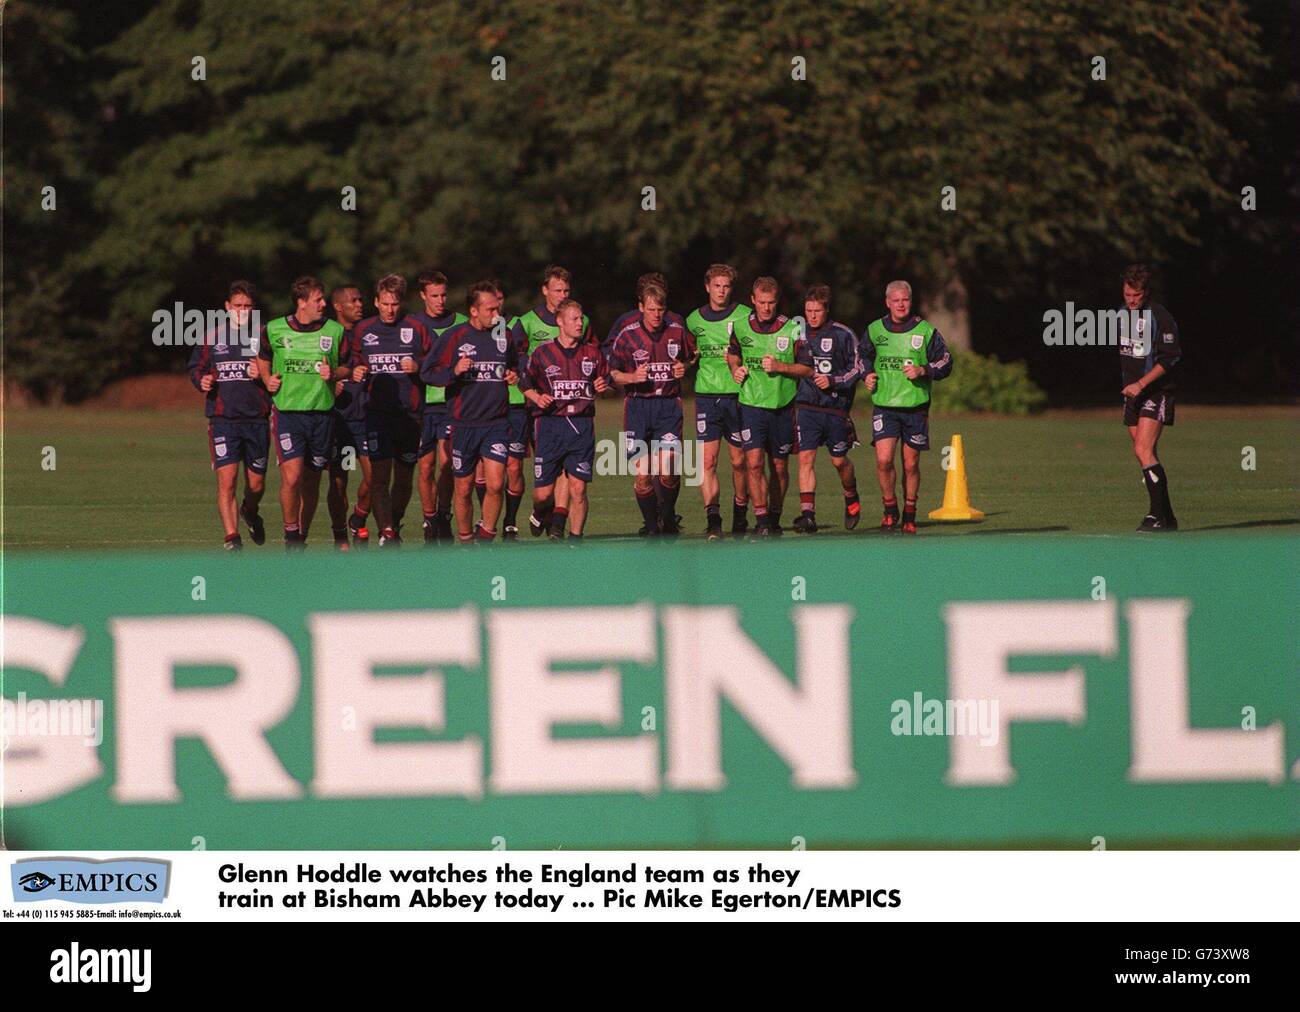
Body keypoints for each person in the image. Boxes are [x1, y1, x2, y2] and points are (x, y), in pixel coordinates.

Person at [420, 281, 519, 542]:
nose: (496, 315)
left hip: (496, 424)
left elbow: (512, 365)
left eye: (498, 309)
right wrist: (454, 371)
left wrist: (511, 374)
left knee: (496, 484)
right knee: (463, 489)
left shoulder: (504, 335)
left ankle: (485, 537)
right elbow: (427, 373)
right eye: (490, 310)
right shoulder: (454, 337)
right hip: (462, 425)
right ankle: (465, 539)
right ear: (474, 311)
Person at [257, 276, 350, 549]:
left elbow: (347, 366)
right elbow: (263, 358)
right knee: (292, 477)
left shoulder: (334, 331)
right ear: (301, 302)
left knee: (311, 483)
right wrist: (266, 380)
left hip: (322, 415)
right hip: (288, 414)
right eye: (318, 299)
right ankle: (291, 535)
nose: (324, 304)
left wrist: (334, 373)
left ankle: (301, 535)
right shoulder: (274, 329)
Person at [344, 273, 431, 546]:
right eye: (385, 303)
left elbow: (436, 363)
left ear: (401, 303)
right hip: (376, 413)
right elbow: (352, 361)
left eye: (394, 304)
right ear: (376, 302)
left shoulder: (416, 328)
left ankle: (394, 521)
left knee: (404, 477)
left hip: (410, 415)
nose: (390, 309)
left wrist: (419, 367)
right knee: (379, 476)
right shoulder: (364, 330)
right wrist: (355, 370)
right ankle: (387, 532)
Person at [861, 280, 953, 534]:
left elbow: (946, 362)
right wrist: (866, 375)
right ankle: (890, 508)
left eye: (906, 300)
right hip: (885, 406)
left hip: (915, 407)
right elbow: (862, 357)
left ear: (910, 302)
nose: (901, 304)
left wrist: (923, 370)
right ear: (887, 302)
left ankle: (909, 512)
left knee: (911, 464)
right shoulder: (875, 330)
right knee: (883, 460)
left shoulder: (925, 331)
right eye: (896, 300)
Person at [510, 266, 593, 539]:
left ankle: (559, 524)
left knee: (568, 472)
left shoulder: (580, 321)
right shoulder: (527, 321)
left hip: (567, 409)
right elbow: (513, 354)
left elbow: (593, 355)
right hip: (531, 403)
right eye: (557, 290)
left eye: (566, 291)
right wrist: (530, 387)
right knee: (537, 481)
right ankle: (539, 511)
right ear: (545, 290)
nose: (562, 295)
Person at [187, 280, 269, 549]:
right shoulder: (211, 337)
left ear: (253, 309)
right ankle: (232, 538)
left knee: (256, 485)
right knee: (227, 481)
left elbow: (278, 370)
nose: (241, 311)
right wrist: (203, 382)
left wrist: (264, 375)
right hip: (223, 421)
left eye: (246, 306)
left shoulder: (264, 336)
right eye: (237, 306)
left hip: (257, 420)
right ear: (226, 307)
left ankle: (250, 510)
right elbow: (195, 369)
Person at [726, 276, 810, 535]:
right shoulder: (740, 327)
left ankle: (774, 516)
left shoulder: (793, 328)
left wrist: (781, 367)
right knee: (753, 463)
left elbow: (807, 368)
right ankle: (761, 519)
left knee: (780, 467)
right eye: (761, 302)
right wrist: (735, 370)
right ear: (753, 301)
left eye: (771, 303)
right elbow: (732, 355)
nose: (766, 308)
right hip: (751, 405)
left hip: (782, 406)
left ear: (777, 302)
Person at [520, 299, 610, 539]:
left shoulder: (592, 353)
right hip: (550, 426)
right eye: (574, 319)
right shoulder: (543, 353)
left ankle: (575, 540)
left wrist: (602, 386)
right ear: (560, 322)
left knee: (578, 488)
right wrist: (536, 398)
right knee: (543, 494)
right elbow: (524, 382)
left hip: (581, 427)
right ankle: (541, 512)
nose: (580, 323)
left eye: (581, 318)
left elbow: (604, 381)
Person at [608, 283, 694, 535]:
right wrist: (632, 377)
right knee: (643, 475)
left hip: (668, 407)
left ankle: (667, 518)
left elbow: (691, 356)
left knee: (667, 470)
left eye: (661, 309)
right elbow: (612, 373)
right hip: (637, 408)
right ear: (641, 308)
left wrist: (684, 367)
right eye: (651, 309)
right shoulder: (627, 336)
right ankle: (652, 525)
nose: (657, 315)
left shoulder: (676, 331)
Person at [792, 284, 865, 533]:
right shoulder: (798, 335)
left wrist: (833, 380)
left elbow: (858, 368)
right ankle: (808, 515)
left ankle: (851, 495)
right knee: (805, 459)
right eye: (808, 310)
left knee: (838, 461)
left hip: (835, 409)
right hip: (807, 408)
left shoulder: (843, 334)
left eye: (817, 311)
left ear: (826, 310)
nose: (812, 315)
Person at [685, 264, 751, 540]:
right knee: (707, 462)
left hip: (738, 396)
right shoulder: (693, 320)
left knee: (738, 462)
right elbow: (687, 353)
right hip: (707, 397)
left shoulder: (745, 315)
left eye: (726, 286)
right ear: (707, 287)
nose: (721, 291)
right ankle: (713, 519)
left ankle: (740, 511)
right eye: (717, 286)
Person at [1118, 263, 1182, 531]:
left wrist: (1141, 383)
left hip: (1156, 391)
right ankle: (1168, 518)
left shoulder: (1160, 316)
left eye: (1137, 296)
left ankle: (1156, 515)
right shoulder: (1121, 314)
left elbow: (1170, 359)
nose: (1131, 300)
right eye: (1127, 294)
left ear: (1146, 293)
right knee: (1144, 452)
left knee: (1142, 449)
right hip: (1132, 395)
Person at [411, 269, 467, 544]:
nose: (440, 300)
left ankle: (444, 516)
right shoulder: (411, 325)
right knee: (426, 467)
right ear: (423, 296)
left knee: (447, 466)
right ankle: (429, 517)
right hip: (422, 406)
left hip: (449, 404)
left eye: (443, 295)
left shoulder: (462, 323)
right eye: (434, 296)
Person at [325, 284, 369, 550]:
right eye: (354, 300)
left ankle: (358, 517)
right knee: (339, 479)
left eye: (361, 299)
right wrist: (332, 384)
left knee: (375, 477)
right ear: (339, 307)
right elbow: (315, 371)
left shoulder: (369, 333)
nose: (360, 304)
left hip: (367, 417)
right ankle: (340, 534)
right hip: (340, 418)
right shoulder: (328, 334)